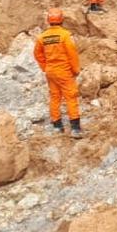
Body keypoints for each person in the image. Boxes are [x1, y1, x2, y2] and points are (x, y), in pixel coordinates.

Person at [33, 8, 83, 138]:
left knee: (55, 97)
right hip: (63, 71)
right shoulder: (65, 35)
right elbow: (72, 54)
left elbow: (37, 54)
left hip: (50, 71)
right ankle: (75, 128)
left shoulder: (42, 37)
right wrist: (76, 70)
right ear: (61, 20)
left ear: (49, 20)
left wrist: (45, 67)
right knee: (71, 97)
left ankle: (57, 125)